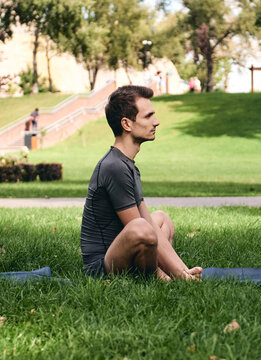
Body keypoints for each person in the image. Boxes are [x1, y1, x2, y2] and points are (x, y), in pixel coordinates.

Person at [80, 85, 202, 281]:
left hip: (124, 252)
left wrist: (183, 271)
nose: (156, 122)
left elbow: (148, 221)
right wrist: (171, 277)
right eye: (148, 116)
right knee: (142, 228)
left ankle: (176, 274)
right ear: (127, 124)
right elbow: (139, 228)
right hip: (100, 268)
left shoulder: (127, 164)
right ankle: (156, 278)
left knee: (161, 219)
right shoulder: (114, 167)